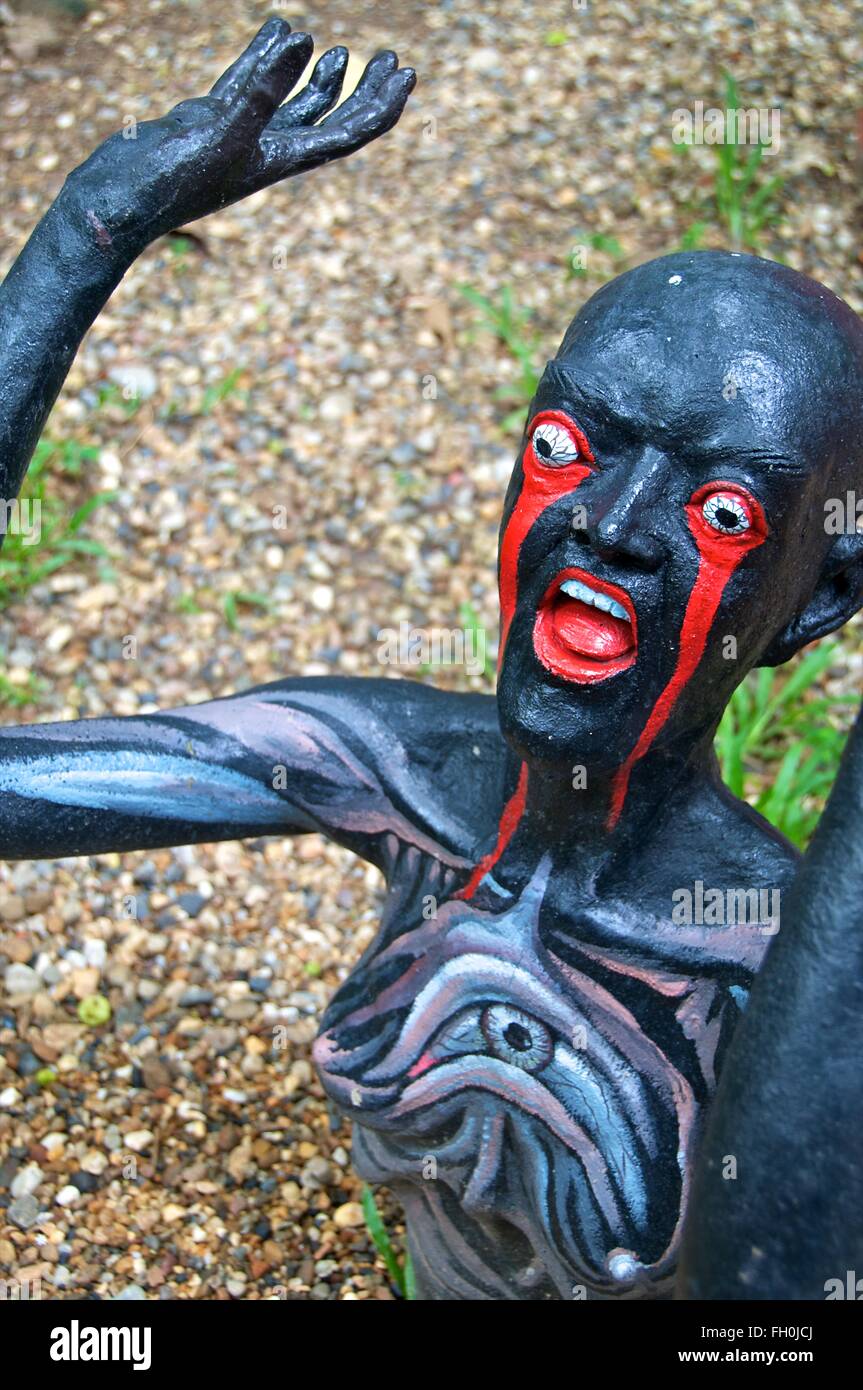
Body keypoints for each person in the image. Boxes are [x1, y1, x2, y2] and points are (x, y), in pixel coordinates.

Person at [1, 20, 861, 1300]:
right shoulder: (400, 775)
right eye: (570, 448)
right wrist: (91, 231)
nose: (609, 528)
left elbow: (774, 1292)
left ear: (814, 601)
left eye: (718, 512)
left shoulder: (768, 955)